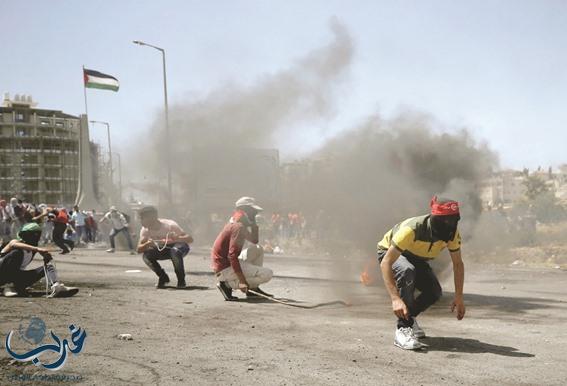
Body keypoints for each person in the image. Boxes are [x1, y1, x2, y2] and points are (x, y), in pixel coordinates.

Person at [378, 196, 466, 350]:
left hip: (414, 256)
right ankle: (402, 329)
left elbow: (458, 264)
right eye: (445, 220)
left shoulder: (452, 234)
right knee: (407, 270)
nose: (450, 225)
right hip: (389, 253)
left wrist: (459, 297)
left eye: (453, 220)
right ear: (435, 218)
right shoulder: (412, 229)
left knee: (434, 292)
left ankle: (409, 319)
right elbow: (386, 262)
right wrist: (395, 299)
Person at [211, 197, 273, 301]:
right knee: (267, 274)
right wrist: (242, 281)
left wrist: (254, 225)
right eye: (253, 212)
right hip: (224, 268)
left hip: (225, 264)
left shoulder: (237, 223)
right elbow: (232, 257)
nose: (255, 214)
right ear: (245, 210)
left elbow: (254, 240)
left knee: (257, 249)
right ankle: (227, 285)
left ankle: (253, 289)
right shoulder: (238, 227)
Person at [0, 223, 78, 297]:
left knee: (48, 267)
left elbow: (41, 253)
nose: (36, 237)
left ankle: (56, 287)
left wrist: (45, 256)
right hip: (2, 277)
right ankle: (7, 287)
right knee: (16, 253)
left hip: (17, 278)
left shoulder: (33, 249)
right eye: (33, 234)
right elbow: (13, 244)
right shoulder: (15, 242)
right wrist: (37, 249)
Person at [136, 206, 193, 288]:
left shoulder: (170, 225)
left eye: (142, 218)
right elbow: (138, 249)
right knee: (146, 256)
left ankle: (181, 280)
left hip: (179, 247)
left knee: (175, 251)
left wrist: (177, 238)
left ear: (152, 217)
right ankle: (163, 277)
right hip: (164, 249)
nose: (140, 221)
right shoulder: (145, 230)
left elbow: (190, 239)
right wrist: (147, 244)